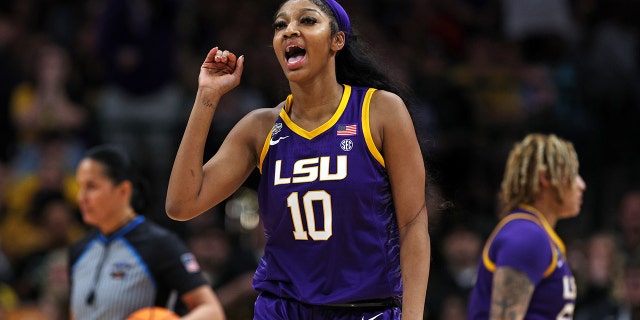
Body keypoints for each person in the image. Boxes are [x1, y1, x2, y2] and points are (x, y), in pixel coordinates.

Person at [165, 0, 431, 318]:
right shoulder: (260, 127)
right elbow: (181, 204)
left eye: (307, 20)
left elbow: (413, 225)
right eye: (280, 25)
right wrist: (207, 96)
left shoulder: (380, 110)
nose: (290, 29)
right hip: (282, 309)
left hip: (365, 309)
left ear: (337, 40)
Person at [68, 145, 225, 320]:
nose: (81, 197)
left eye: (92, 186)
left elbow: (212, 311)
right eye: (81, 186)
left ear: (123, 190)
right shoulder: (79, 249)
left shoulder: (160, 244)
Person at [467, 133, 586, 319]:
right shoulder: (527, 235)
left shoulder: (537, 233)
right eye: (574, 174)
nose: (581, 184)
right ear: (546, 177)